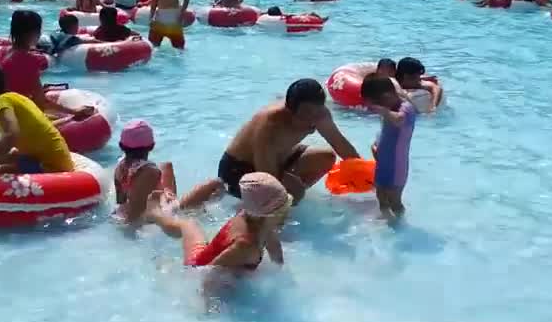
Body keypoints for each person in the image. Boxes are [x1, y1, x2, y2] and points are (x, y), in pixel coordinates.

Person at [214, 78, 360, 205]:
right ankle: (269, 211)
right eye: (306, 114)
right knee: (294, 191)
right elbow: (266, 175)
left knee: (326, 157)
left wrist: (366, 173)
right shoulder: (271, 124)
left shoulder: (320, 115)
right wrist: (289, 190)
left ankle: (288, 203)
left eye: (316, 112)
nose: (312, 118)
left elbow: (340, 144)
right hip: (238, 170)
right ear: (289, 110)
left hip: (280, 158)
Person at [0, 62, 75, 184]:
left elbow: (12, 134)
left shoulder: (1, 102)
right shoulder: (15, 97)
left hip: (50, 167)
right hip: (53, 159)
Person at [143, 172, 290, 270]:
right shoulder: (245, 246)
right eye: (283, 209)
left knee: (190, 224)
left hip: (212, 254)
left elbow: (276, 254)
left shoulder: (257, 220)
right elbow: (207, 274)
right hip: (198, 266)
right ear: (266, 213)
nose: (287, 213)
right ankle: (155, 214)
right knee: (186, 224)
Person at [1, 10, 94, 120]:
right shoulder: (30, 60)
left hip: (2, 112)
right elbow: (42, 102)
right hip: (16, 117)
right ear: (34, 33)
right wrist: (73, 112)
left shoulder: (2, 52)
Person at [361, 73, 416, 218]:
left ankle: (399, 224)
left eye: (378, 103)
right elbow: (385, 130)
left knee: (394, 199)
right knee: (380, 194)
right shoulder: (388, 109)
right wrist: (376, 144)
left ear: (387, 96)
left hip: (397, 164)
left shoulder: (406, 108)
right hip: (383, 160)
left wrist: (382, 110)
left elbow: (399, 120)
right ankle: (385, 221)